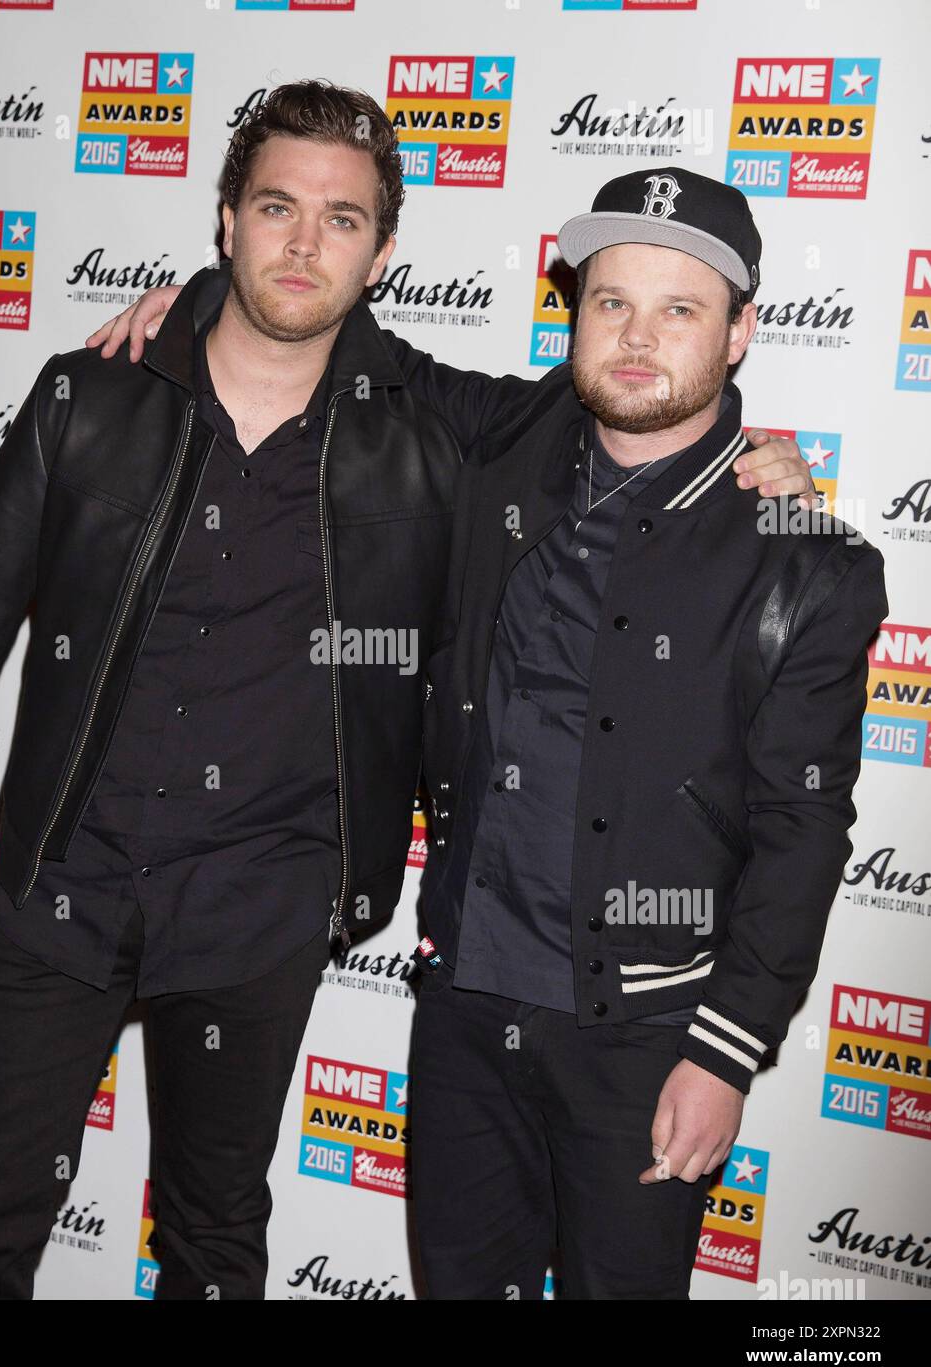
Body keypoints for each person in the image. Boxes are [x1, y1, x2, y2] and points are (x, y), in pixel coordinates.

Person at [0, 76, 812, 1301]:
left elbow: (630, 397)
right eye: (278, 207)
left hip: (261, 909)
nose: (304, 243)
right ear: (226, 221)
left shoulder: (430, 428)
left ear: (383, 252)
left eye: (341, 221)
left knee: (214, 1234)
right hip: (61, 890)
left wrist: (762, 459)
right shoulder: (90, 398)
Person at [96, 166, 883, 1300]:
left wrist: (725, 1050)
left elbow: (803, 832)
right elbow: (352, 342)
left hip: (649, 1035)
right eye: (611, 301)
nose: (638, 337)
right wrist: (197, 296)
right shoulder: (506, 441)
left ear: (743, 330)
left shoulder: (803, 558)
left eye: (680, 309)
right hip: (465, 1009)